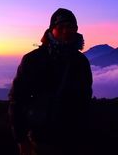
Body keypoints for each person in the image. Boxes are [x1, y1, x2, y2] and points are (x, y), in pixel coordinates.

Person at [8, 8, 93, 155]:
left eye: (71, 27)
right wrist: (21, 140)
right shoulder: (32, 60)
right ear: (51, 30)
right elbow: (17, 100)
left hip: (73, 139)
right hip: (40, 139)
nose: (67, 31)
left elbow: (85, 98)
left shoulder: (81, 62)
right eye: (61, 27)